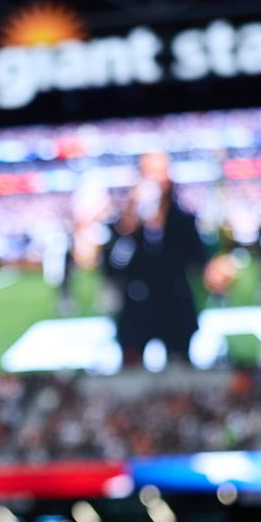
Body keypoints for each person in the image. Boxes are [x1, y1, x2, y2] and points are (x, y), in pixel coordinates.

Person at [103, 151, 229, 365]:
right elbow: (113, 268)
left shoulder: (184, 221)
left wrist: (215, 272)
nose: (154, 180)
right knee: (131, 375)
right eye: (148, 173)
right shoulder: (124, 224)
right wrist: (129, 229)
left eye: (160, 173)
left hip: (175, 310)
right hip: (136, 314)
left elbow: (200, 261)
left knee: (179, 372)